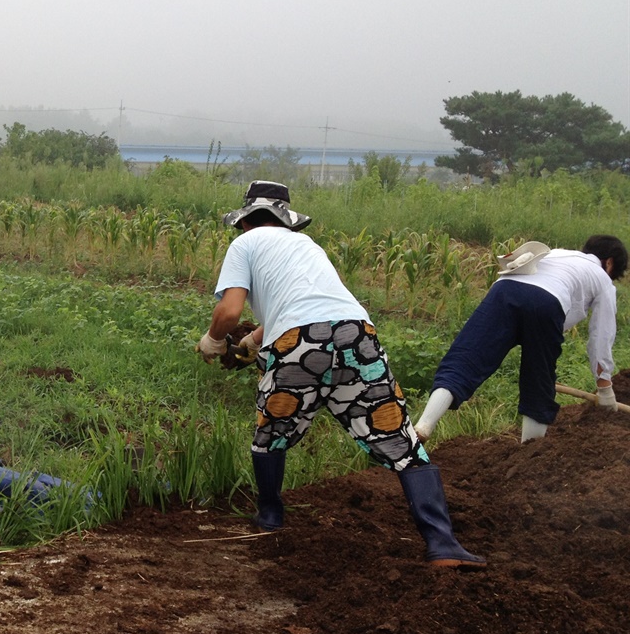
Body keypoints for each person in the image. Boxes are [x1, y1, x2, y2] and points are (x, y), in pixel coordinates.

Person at [197, 180, 484, 569]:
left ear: (245, 220)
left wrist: (215, 339)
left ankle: (269, 519)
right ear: (286, 220)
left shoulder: (244, 244)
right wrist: (253, 340)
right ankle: (442, 544)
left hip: (299, 344)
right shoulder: (307, 247)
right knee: (400, 438)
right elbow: (314, 305)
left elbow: (229, 311)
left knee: (272, 432)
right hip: (356, 334)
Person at [416, 235, 626, 443]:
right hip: (546, 302)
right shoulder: (602, 278)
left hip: (505, 290)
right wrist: (604, 387)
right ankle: (529, 454)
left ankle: (423, 425)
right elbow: (601, 334)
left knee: (466, 358)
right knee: (539, 380)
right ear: (609, 263)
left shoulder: (557, 254)